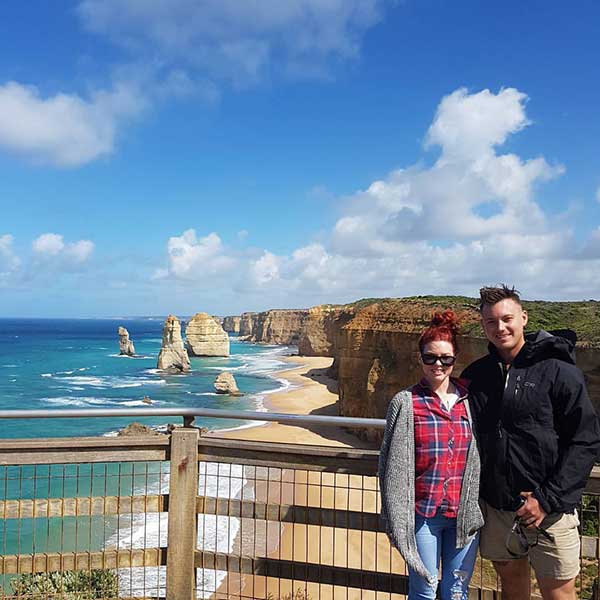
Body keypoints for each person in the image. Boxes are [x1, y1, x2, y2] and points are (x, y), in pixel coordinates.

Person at [462, 285, 600, 600]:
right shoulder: (476, 375)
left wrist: (546, 499)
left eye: (507, 318)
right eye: (491, 322)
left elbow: (585, 440)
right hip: (498, 510)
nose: (500, 328)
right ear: (483, 326)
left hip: (550, 511)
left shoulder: (559, 371)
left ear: (523, 317)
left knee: (559, 594)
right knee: (513, 591)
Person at [379, 310, 483, 600]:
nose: (438, 364)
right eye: (430, 357)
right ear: (420, 358)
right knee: (424, 589)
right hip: (422, 515)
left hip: (463, 515)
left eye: (445, 358)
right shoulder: (406, 402)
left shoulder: (470, 400)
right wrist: (392, 517)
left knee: (456, 591)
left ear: (455, 359)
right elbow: (388, 464)